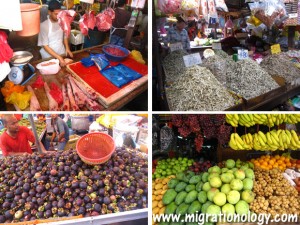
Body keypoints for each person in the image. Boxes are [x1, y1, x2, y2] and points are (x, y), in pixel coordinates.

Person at [38, 0, 73, 66]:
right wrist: (58, 57)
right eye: (56, 14)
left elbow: (65, 35)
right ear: (49, 12)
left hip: (61, 51)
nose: (58, 16)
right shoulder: (44, 25)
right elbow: (45, 45)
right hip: (48, 55)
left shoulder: (62, 21)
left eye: (59, 14)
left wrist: (67, 48)